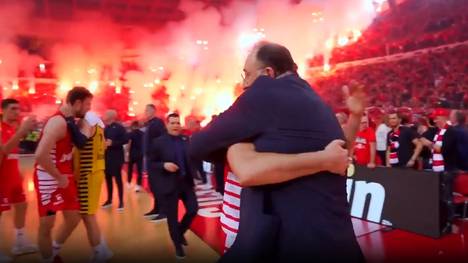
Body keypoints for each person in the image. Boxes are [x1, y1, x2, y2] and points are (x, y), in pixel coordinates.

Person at [190, 42, 363, 262]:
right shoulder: (318, 102)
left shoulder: (264, 93)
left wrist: (235, 144)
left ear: (268, 74)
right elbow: (338, 153)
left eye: (247, 74)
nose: (244, 84)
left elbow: (199, 145)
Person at [34, 87, 92, 263]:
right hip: (49, 180)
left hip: (64, 177)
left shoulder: (71, 122)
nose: (89, 108)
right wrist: (58, 177)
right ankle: (47, 259)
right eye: (88, 104)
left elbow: (79, 142)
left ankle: (53, 251)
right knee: (47, 225)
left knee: (73, 218)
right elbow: (40, 155)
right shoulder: (58, 122)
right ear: (77, 103)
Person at [148, 113, 198, 259]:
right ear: (167, 125)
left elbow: (190, 161)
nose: (176, 125)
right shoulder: (158, 142)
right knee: (172, 217)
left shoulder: (185, 140)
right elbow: (151, 163)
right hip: (169, 184)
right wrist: (164, 165)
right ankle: (177, 246)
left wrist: (195, 178)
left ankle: (180, 233)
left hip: (186, 183)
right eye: (173, 123)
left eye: (177, 123)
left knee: (193, 209)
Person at [71, 111, 113, 262]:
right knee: (89, 214)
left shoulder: (87, 122)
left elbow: (80, 147)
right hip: (96, 170)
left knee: (87, 215)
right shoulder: (99, 125)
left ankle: (99, 253)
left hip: (88, 172)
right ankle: (102, 248)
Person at [0, 99, 38, 261]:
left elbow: (28, 144)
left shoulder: (15, 127)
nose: (17, 112)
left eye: (19, 109)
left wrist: (32, 131)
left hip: (14, 175)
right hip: (2, 177)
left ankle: (19, 243)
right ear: (3, 110)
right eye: (13, 108)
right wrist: (22, 131)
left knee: (22, 205)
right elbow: (5, 150)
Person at [143, 104, 167, 221]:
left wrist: (157, 155)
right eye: (145, 110)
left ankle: (164, 211)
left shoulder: (158, 123)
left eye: (148, 110)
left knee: (159, 185)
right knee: (153, 185)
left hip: (156, 159)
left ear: (154, 111)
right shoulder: (150, 124)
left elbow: (162, 140)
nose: (145, 112)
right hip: (150, 159)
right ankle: (156, 208)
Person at [102, 110, 128, 211]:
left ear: (111, 116)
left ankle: (121, 201)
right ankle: (109, 199)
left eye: (106, 114)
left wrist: (113, 143)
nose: (104, 115)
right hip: (106, 157)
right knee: (107, 179)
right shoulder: (105, 128)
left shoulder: (119, 127)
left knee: (118, 180)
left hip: (116, 158)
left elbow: (125, 140)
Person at [127, 121, 144, 192]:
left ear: (133, 126)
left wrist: (127, 152)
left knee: (130, 169)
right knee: (139, 170)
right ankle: (138, 186)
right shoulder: (143, 134)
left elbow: (129, 143)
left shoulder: (131, 133)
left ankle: (129, 183)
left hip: (132, 153)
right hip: (140, 154)